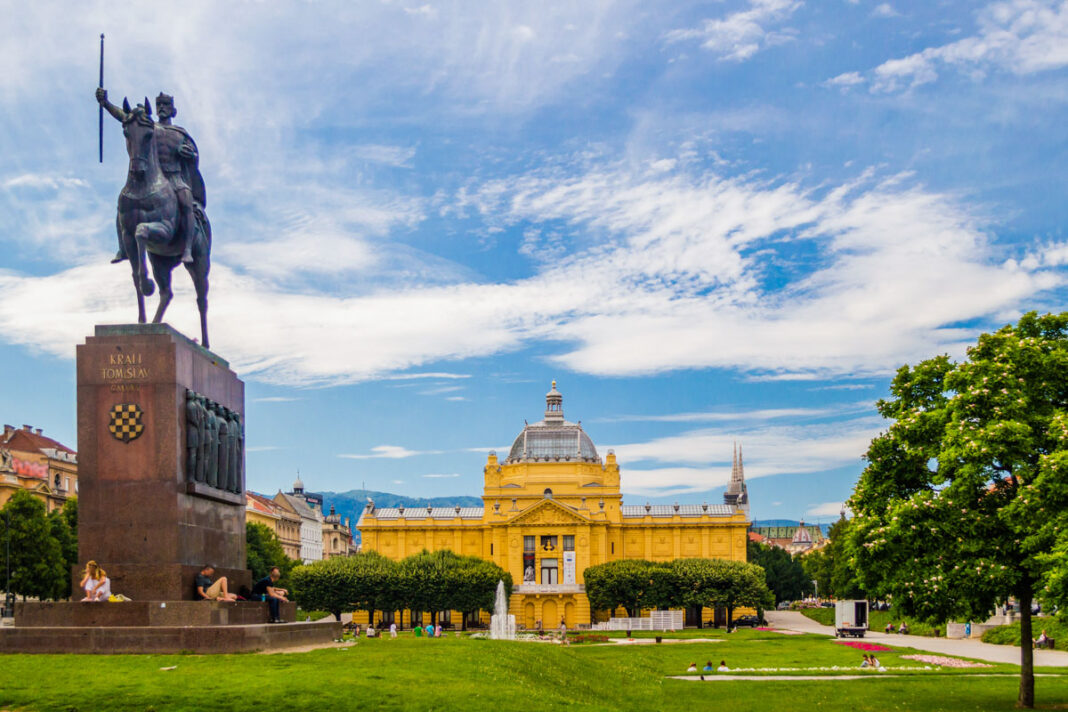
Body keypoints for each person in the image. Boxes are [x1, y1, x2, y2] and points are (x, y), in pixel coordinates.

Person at [95, 88, 206, 265]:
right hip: (153, 178)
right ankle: (123, 248)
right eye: (159, 105)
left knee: (186, 202)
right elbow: (125, 116)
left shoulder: (179, 133)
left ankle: (187, 249)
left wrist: (189, 154)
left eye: (166, 105)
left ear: (173, 110)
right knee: (123, 203)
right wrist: (106, 103)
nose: (162, 108)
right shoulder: (149, 126)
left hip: (175, 177)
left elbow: (192, 155)